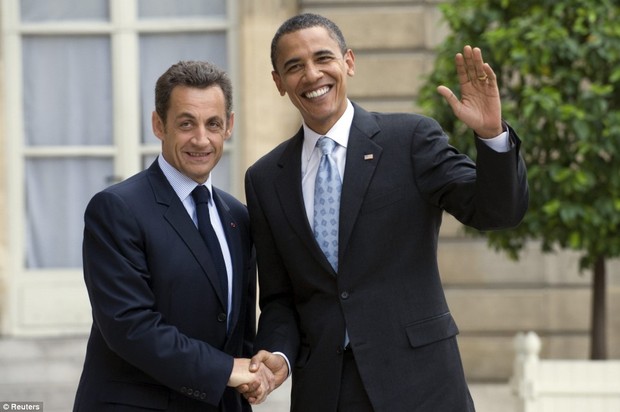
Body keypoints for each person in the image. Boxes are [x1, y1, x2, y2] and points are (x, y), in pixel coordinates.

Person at [242, 13, 528, 412]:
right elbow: (279, 298)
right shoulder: (264, 178)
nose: (311, 75)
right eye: (294, 67)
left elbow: (497, 212)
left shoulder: (409, 139)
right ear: (278, 82)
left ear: (349, 63)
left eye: (323, 58)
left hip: (421, 385)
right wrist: (278, 356)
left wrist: (491, 136)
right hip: (326, 393)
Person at [73, 60, 274, 411]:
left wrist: (253, 373)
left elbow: (239, 330)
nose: (201, 139)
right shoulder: (116, 208)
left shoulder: (238, 217)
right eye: (186, 124)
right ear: (158, 125)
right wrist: (226, 369)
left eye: (213, 124)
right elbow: (130, 326)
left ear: (229, 126)